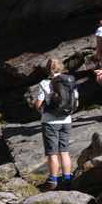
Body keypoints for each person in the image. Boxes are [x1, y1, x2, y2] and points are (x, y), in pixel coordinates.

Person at [34, 58, 78, 190]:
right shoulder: (70, 81)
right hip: (66, 120)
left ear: (48, 69)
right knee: (64, 151)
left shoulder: (44, 83)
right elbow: (76, 101)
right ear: (61, 67)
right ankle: (67, 179)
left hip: (50, 121)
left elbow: (38, 104)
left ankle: (52, 180)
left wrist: (38, 109)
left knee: (52, 152)